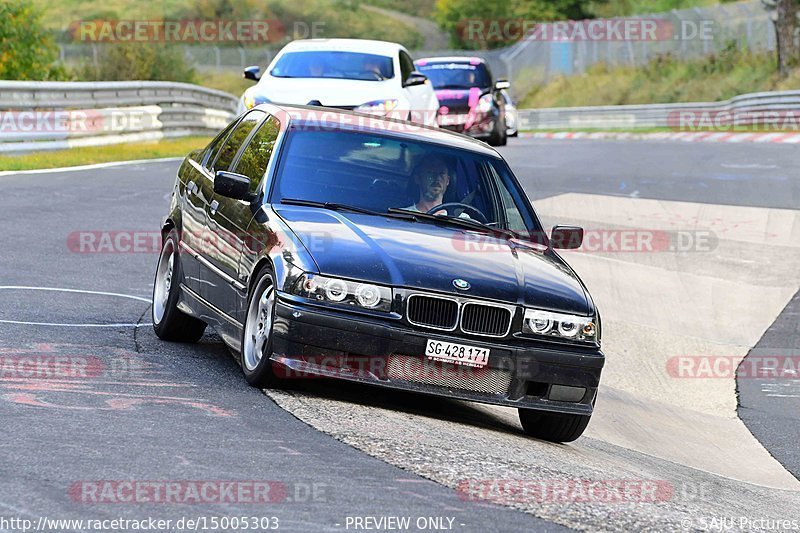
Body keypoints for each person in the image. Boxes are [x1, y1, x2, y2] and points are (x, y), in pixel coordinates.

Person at [401, 155, 470, 218]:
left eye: (441, 173)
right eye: (430, 172)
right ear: (418, 178)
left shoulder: (462, 220)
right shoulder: (403, 216)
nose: (437, 178)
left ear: (448, 180)